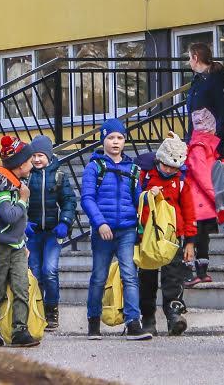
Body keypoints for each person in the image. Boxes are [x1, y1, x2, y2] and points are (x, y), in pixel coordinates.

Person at [0, 134, 52, 348]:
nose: (32, 164)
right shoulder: (2, 189)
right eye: (29, 161)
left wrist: (24, 241)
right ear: (19, 165)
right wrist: (23, 200)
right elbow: (9, 216)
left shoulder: (19, 184)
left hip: (17, 246)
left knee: (21, 286)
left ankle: (20, 330)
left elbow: (19, 222)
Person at [81, 118, 153, 341]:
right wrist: (100, 223)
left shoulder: (133, 169)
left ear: (124, 141)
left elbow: (137, 200)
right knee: (99, 277)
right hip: (103, 231)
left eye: (120, 138)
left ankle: (133, 322)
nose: (115, 142)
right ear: (103, 140)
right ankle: (94, 322)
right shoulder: (94, 167)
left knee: (130, 276)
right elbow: (87, 198)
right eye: (111, 137)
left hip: (127, 230)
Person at [133, 135, 196, 335]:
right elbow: (136, 202)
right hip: (148, 235)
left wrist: (190, 241)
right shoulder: (146, 176)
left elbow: (189, 210)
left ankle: (174, 314)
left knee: (173, 276)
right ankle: (148, 317)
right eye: (166, 165)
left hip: (172, 235)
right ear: (159, 160)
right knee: (147, 277)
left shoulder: (182, 180)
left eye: (173, 167)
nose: (169, 170)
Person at [25, 136, 76, 331]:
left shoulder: (59, 176)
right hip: (33, 233)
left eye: (40, 156)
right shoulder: (27, 175)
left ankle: (52, 310)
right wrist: (24, 224)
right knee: (35, 271)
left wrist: (65, 222)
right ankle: (36, 308)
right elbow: (21, 201)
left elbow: (69, 201)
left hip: (54, 232)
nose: (37, 160)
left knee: (50, 270)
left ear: (48, 155)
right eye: (34, 156)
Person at [184, 107, 221, 286]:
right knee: (194, 237)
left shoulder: (204, 145)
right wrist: (216, 196)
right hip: (198, 200)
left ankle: (201, 272)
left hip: (202, 201)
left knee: (202, 237)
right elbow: (202, 174)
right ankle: (189, 273)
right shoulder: (200, 146)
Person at [185, 42, 224, 158]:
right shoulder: (198, 80)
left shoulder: (216, 79)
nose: (189, 61)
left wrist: (217, 137)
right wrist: (189, 139)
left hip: (212, 143)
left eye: (190, 58)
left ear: (195, 58)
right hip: (198, 139)